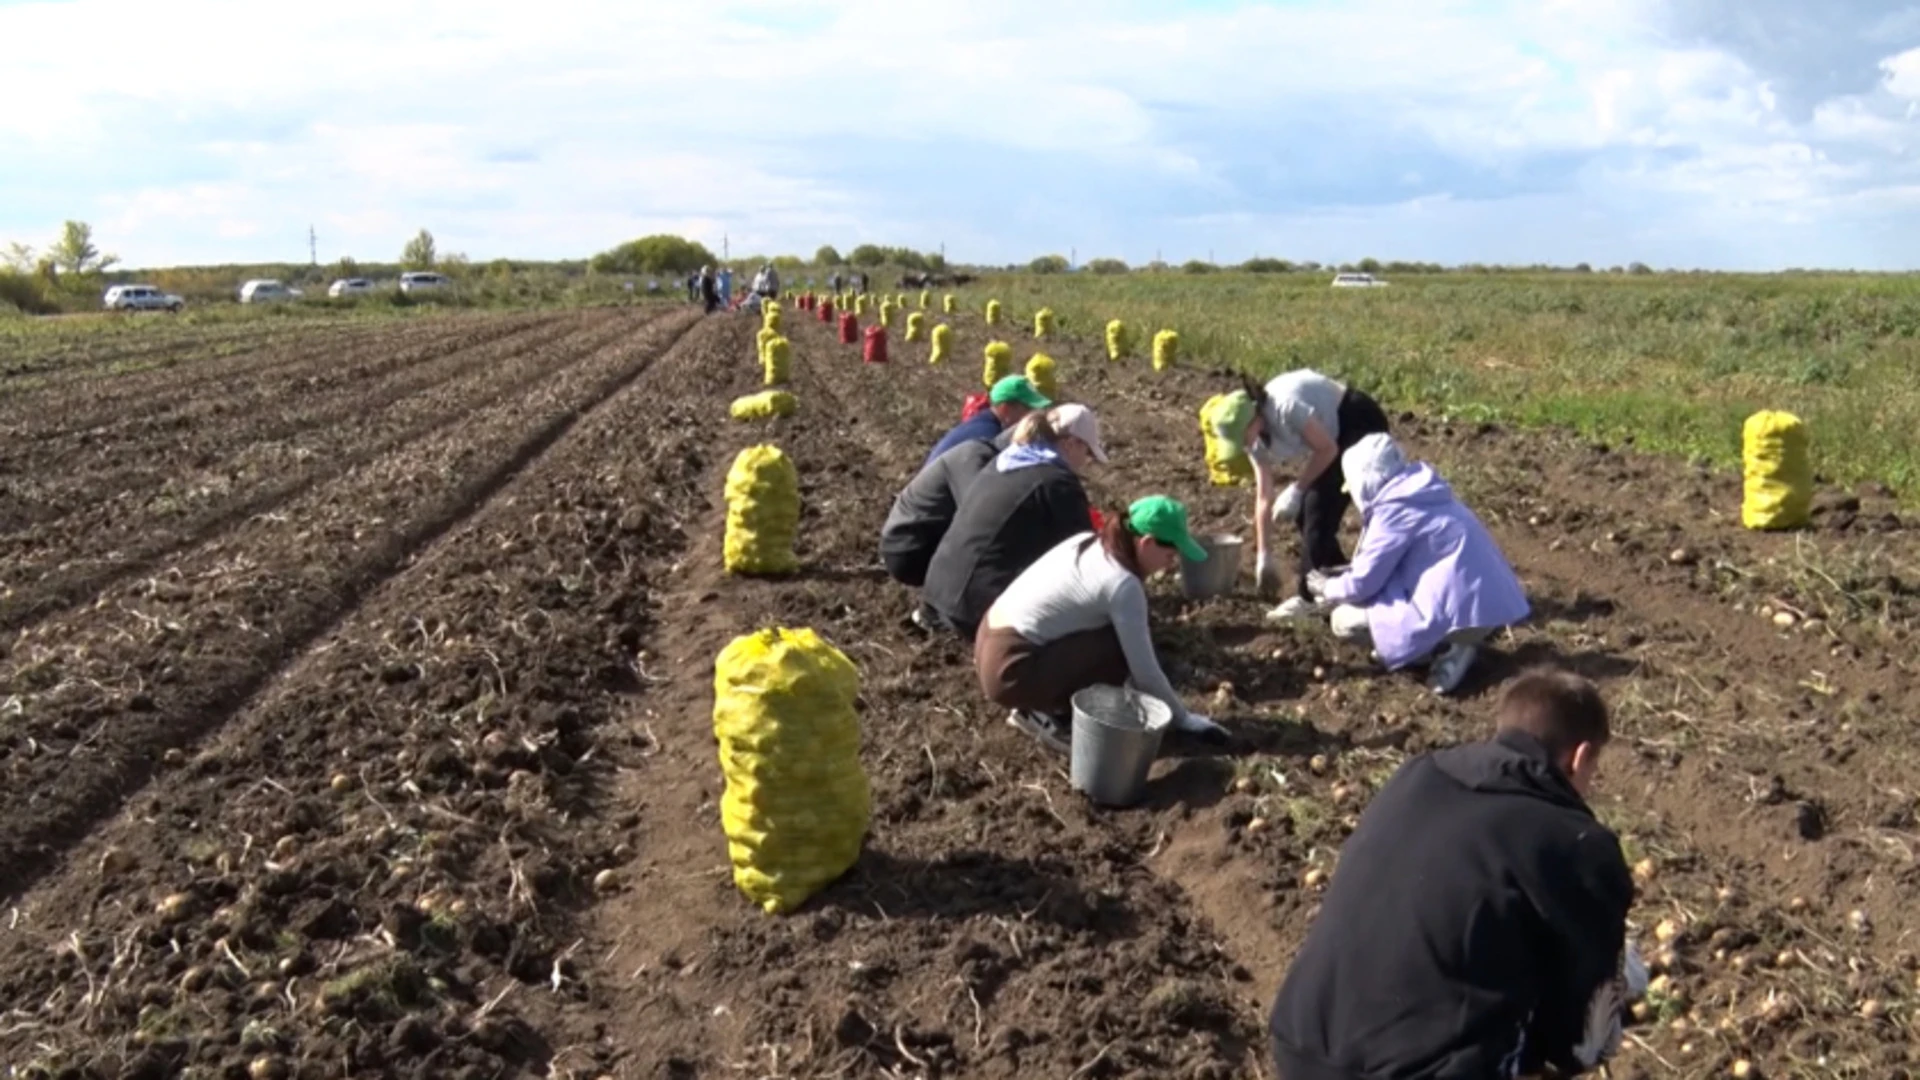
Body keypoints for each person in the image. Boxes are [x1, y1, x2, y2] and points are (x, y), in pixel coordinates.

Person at [1268, 668, 1642, 1080]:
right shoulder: (1578, 844)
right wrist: (1620, 986)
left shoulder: (1419, 774)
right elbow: (1581, 1041)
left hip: (1300, 1046)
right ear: (1580, 756)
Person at [977, 496, 1228, 753]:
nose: (1171, 562)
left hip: (988, 637)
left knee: (1115, 634)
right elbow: (1145, 672)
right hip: (1009, 671)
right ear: (1146, 543)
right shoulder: (1121, 584)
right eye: (1169, 554)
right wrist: (1183, 719)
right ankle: (1049, 716)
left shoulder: (1087, 542)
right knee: (1117, 649)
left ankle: (1042, 700)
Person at [1304, 434, 1530, 695]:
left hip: (1462, 619)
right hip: (1487, 609)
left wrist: (1327, 588)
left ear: (1362, 481)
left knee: (1343, 620)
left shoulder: (1393, 510)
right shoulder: (1424, 493)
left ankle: (1443, 649)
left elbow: (1363, 585)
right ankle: (1446, 644)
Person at [1208, 369, 1391, 620]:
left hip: (1357, 421)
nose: (1243, 445)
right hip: (1332, 435)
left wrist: (1297, 489)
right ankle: (1344, 585)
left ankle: (1308, 600)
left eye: (1242, 437)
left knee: (1315, 507)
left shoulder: (1285, 407)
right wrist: (1264, 555)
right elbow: (1264, 495)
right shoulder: (1252, 438)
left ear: (1254, 419)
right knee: (1307, 517)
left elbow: (1327, 449)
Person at [920, 405, 1107, 641]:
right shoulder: (1057, 483)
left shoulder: (1007, 461)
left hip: (938, 593)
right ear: (1072, 444)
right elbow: (1084, 561)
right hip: (972, 612)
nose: (1086, 462)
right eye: (1088, 453)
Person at [880, 438, 1000, 590]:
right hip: (908, 544)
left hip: (919, 538)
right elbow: (979, 513)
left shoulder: (977, 450)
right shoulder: (973, 456)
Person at [926, 375, 1052, 464]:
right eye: (1027, 409)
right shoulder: (987, 437)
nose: (1031, 416)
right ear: (1005, 408)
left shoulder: (982, 423)